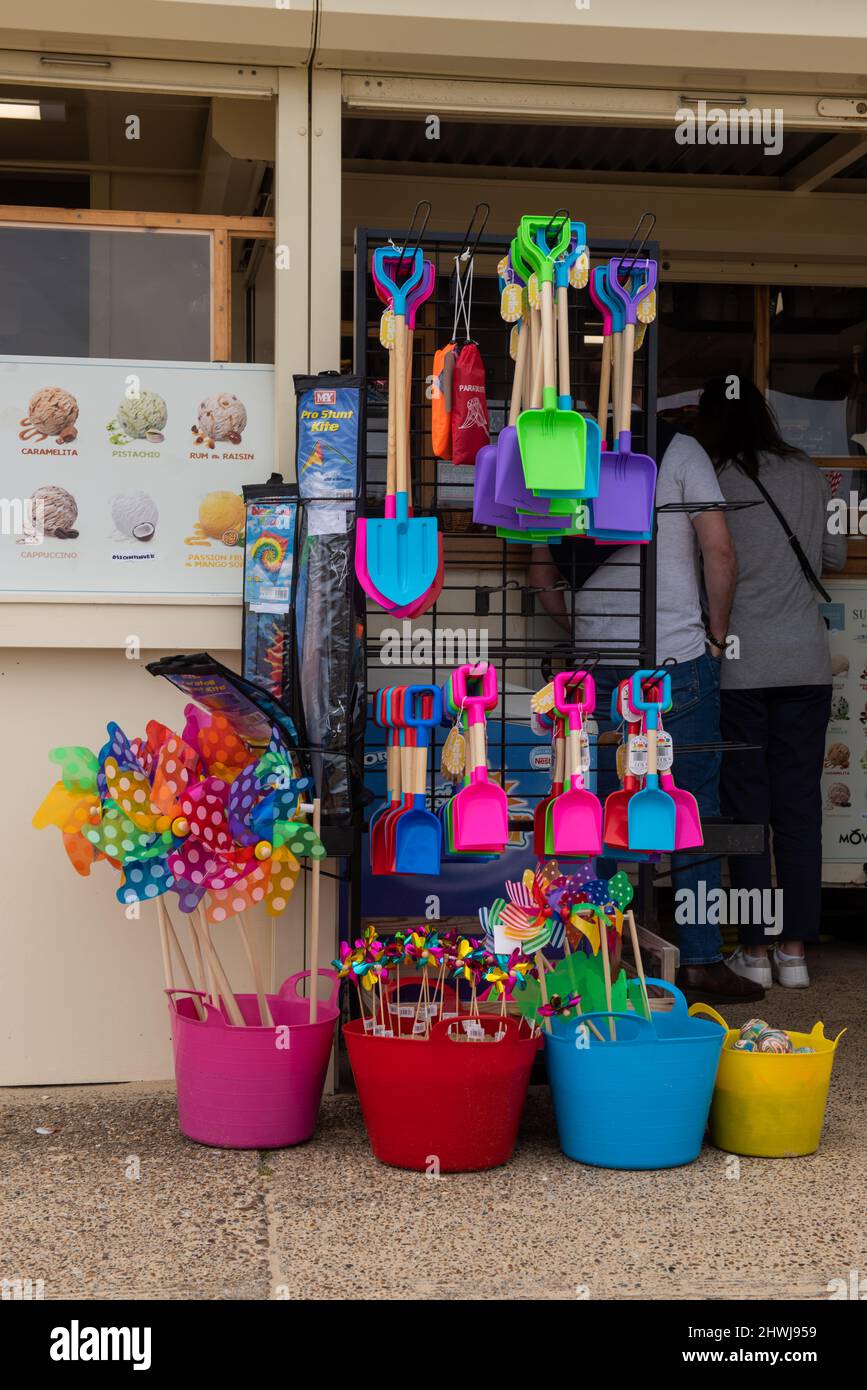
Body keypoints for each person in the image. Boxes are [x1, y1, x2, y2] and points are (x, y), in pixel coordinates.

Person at [529, 430, 756, 1003]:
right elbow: (720, 550)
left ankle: (600, 960)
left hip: (595, 668)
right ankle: (700, 959)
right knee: (691, 811)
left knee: (596, 811)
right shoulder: (680, 451)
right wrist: (716, 637)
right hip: (673, 660)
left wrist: (584, 632)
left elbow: (540, 575)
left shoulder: (564, 460)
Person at [693, 379, 847, 989]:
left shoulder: (715, 481)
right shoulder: (808, 473)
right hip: (806, 662)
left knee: (747, 808)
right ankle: (796, 954)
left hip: (741, 666)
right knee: (799, 808)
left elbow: (706, 563)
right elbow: (831, 556)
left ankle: (754, 951)